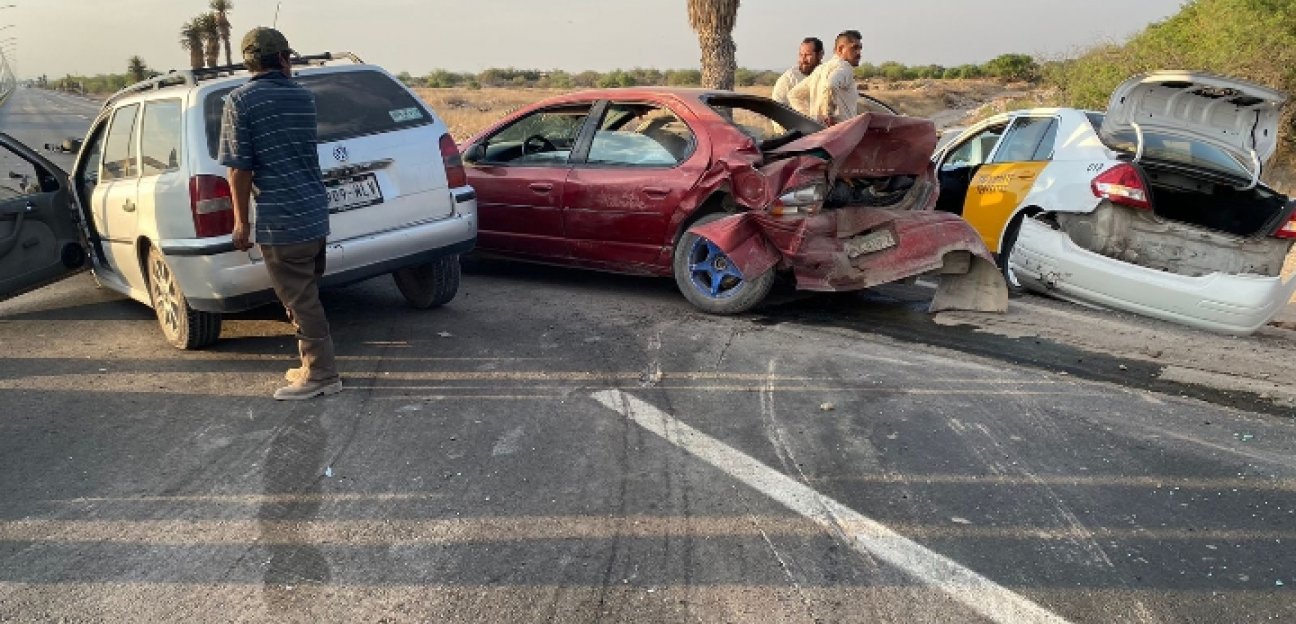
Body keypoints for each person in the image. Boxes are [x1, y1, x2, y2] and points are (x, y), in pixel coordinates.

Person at [218, 27, 341, 401]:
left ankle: (321, 375)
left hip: (281, 219)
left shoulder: (240, 101)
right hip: (313, 214)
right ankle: (311, 364)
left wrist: (241, 222)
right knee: (305, 294)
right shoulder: (303, 98)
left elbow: (239, 169)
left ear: (249, 63)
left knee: (299, 301)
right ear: (284, 59)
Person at [787, 30, 864, 126]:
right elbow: (831, 85)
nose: (859, 53)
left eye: (860, 48)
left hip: (820, 133)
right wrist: (828, 114)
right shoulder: (845, 67)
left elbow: (794, 95)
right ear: (840, 49)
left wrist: (811, 120)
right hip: (841, 132)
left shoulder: (820, 69)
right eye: (854, 48)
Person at [770, 37, 823, 114]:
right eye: (801, 55)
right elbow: (777, 111)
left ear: (820, 55)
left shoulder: (826, 75)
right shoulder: (788, 79)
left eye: (808, 55)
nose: (803, 60)